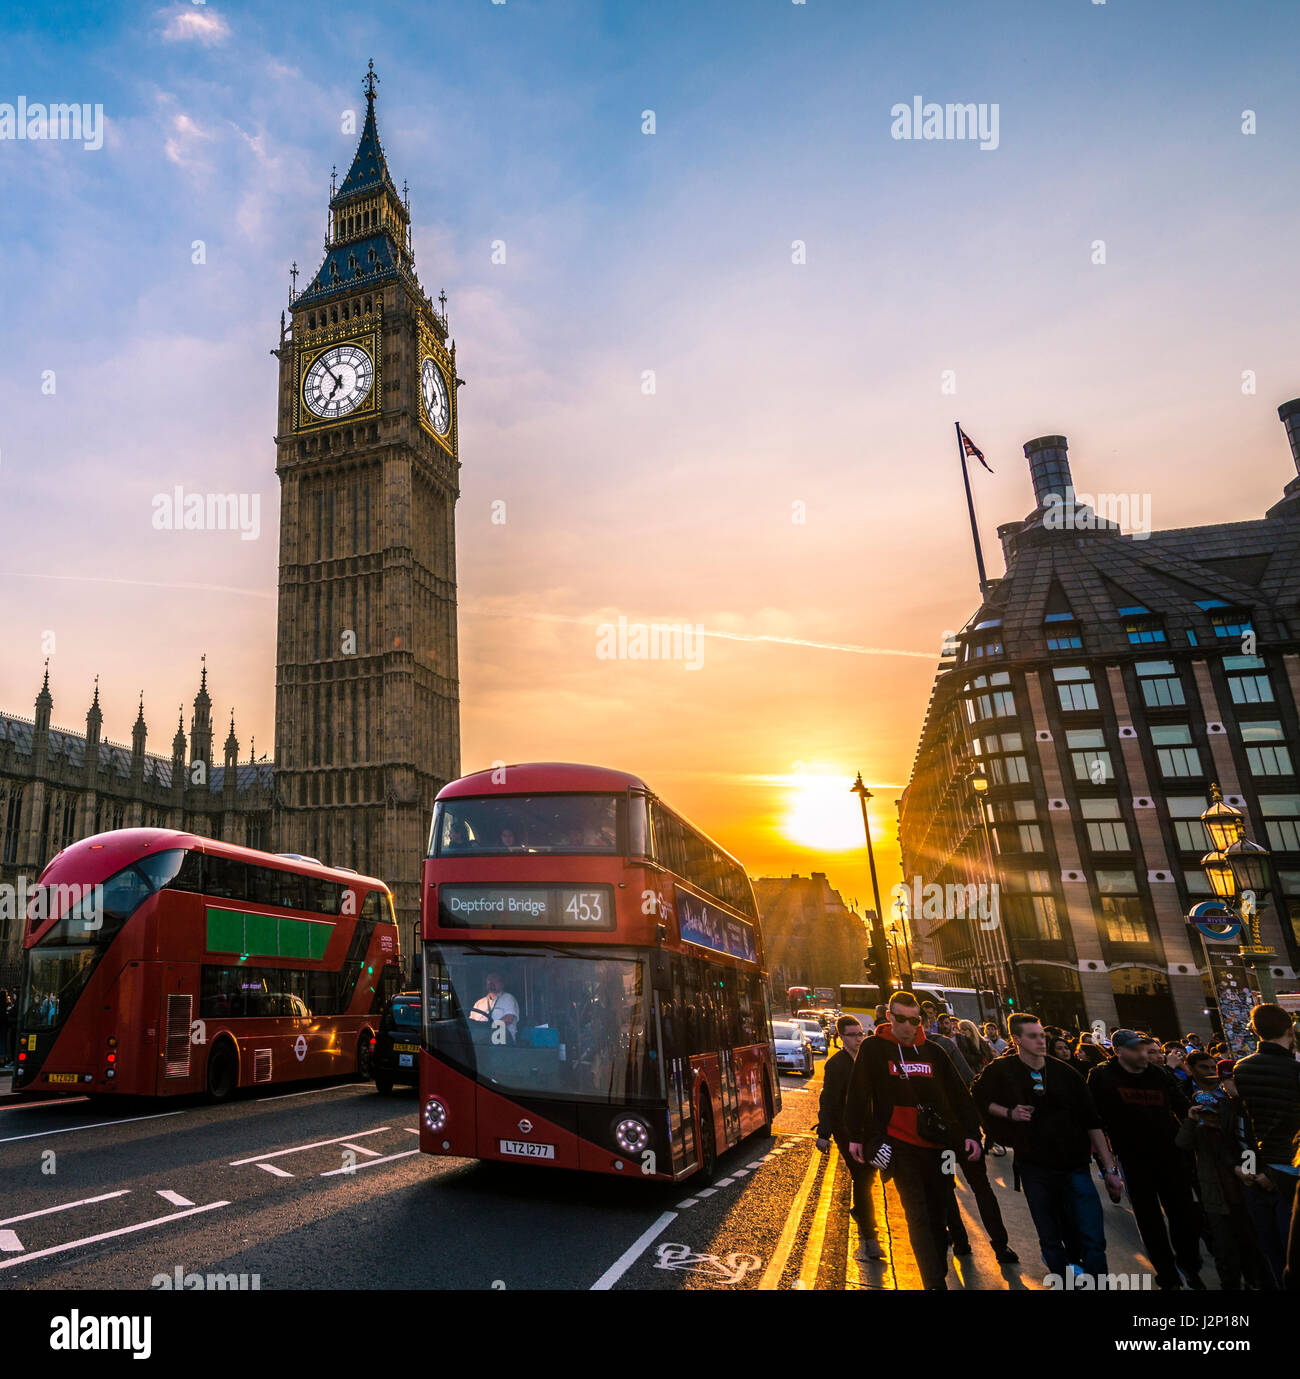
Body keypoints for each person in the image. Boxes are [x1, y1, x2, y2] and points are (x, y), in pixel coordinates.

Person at [844, 991, 984, 1290]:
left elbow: (960, 1095)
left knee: (940, 1215)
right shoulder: (873, 1048)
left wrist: (972, 1133)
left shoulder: (935, 1051)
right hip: (899, 1147)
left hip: (940, 1150)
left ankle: (937, 1270)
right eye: (902, 1019)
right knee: (916, 1214)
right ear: (889, 1018)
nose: (909, 1026)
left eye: (915, 1020)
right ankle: (933, 1283)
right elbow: (858, 1094)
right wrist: (856, 1137)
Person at [972, 1012, 1121, 1281]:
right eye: (1033, 1036)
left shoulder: (1066, 1074)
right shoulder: (1001, 1070)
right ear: (1017, 1039)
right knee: (1050, 1237)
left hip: (1075, 1166)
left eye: (1042, 1035)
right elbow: (979, 1098)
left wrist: (1110, 1170)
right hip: (1034, 1167)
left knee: (1093, 1239)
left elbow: (1092, 1121)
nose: (1041, 1041)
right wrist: (1009, 1113)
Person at [1088, 1030, 1204, 1289]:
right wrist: (1108, 1166)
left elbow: (1180, 1105)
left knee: (1183, 1214)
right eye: (1135, 1049)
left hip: (1170, 1154)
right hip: (1133, 1157)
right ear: (1118, 1051)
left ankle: (1190, 1266)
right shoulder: (1102, 1076)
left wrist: (1193, 1112)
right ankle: (1167, 1273)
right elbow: (1093, 1119)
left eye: (1145, 1049)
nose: (1143, 1054)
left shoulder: (1158, 1074)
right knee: (1149, 1219)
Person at [1175, 1054, 1271, 1290]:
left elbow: (1245, 1145)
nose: (1210, 1072)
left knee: (1251, 1245)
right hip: (1216, 1190)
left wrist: (1247, 1173)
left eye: (1212, 1068)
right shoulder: (1194, 1101)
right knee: (1225, 1249)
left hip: (1242, 1187)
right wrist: (1191, 1120)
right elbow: (1183, 1143)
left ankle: (1254, 1280)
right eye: (1204, 1068)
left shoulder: (1233, 1105)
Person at [1232, 1003, 1300, 1289]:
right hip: (1291, 1170)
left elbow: (1244, 1124)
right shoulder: (1295, 1071)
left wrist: (1251, 1170)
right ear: (1290, 1029)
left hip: (1258, 1169)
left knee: (1271, 1252)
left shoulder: (1241, 1068)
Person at [816, 1015, 884, 1261]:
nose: (859, 1038)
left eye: (861, 1034)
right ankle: (870, 1236)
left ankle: (861, 1212)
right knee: (862, 1177)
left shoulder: (870, 1062)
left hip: (871, 1131)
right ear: (841, 1038)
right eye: (853, 1035)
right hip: (846, 1131)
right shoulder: (836, 1065)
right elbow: (829, 1101)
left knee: (869, 1176)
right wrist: (824, 1134)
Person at [468, 971, 519, 1041]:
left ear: (502, 983)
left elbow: (509, 1018)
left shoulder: (508, 998)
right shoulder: (479, 1003)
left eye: (494, 979)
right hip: (480, 1043)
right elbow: (471, 1023)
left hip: (502, 1042)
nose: (491, 982)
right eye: (489, 980)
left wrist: (488, 1028)